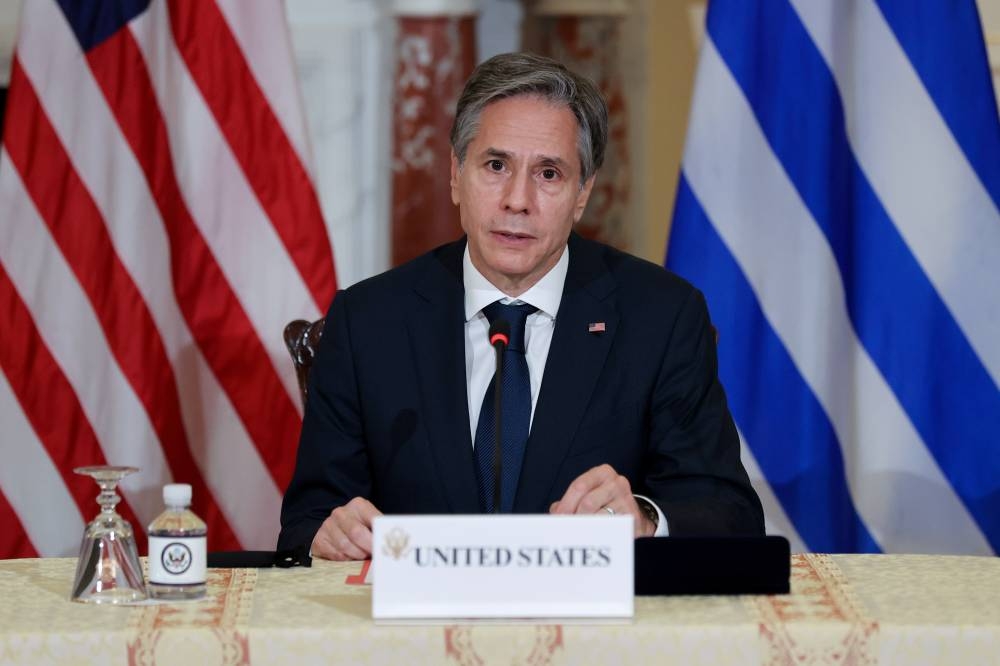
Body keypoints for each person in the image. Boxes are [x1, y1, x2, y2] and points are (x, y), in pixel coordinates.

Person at [278, 52, 764, 560]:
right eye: (495, 165)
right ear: (455, 174)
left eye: (549, 173)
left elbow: (728, 514)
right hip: (416, 629)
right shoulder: (367, 323)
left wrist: (643, 520)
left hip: (595, 631)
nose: (517, 200)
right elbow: (307, 521)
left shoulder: (660, 318)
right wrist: (327, 535)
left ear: (582, 194)